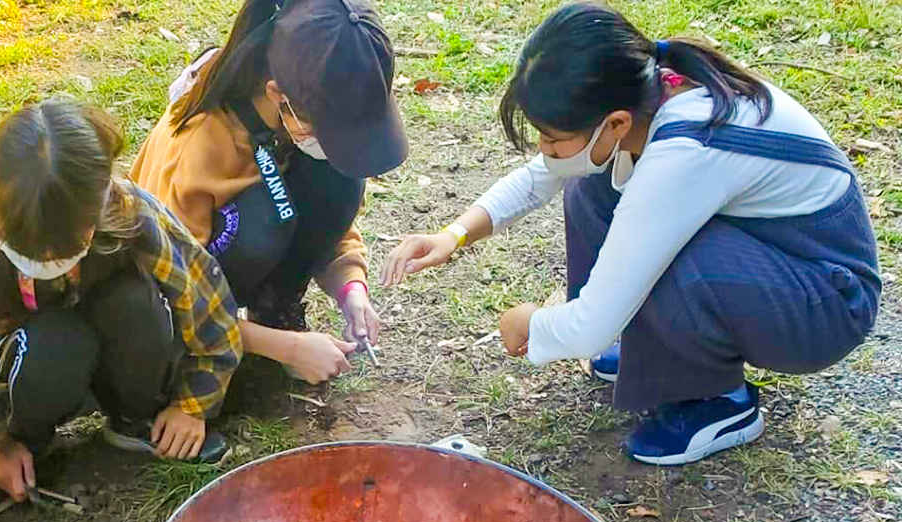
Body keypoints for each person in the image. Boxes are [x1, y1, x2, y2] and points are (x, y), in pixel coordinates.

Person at [382, 2, 880, 466]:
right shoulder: (642, 92)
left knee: (678, 262)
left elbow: (592, 324)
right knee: (593, 187)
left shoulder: (686, 150)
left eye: (553, 135)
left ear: (615, 122)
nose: (544, 147)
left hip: (827, 301)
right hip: (770, 256)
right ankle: (658, 354)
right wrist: (456, 234)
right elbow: (546, 173)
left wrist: (533, 325)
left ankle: (718, 400)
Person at [0, 100, 244, 514]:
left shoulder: (127, 211)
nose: (48, 260)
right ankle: (28, 441)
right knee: (60, 340)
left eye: (68, 247)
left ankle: (135, 416)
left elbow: (205, 300)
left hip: (116, 332)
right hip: (28, 354)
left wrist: (192, 404)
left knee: (131, 300)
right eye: (29, 250)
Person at [130, 0, 407, 388]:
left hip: (252, 257)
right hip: (188, 298)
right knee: (263, 221)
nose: (333, 146)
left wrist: (351, 289)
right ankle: (251, 339)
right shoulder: (199, 143)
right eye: (331, 133)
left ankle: (275, 308)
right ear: (279, 95)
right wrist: (287, 349)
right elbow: (167, 299)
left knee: (340, 178)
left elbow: (332, 224)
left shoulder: (302, 113)